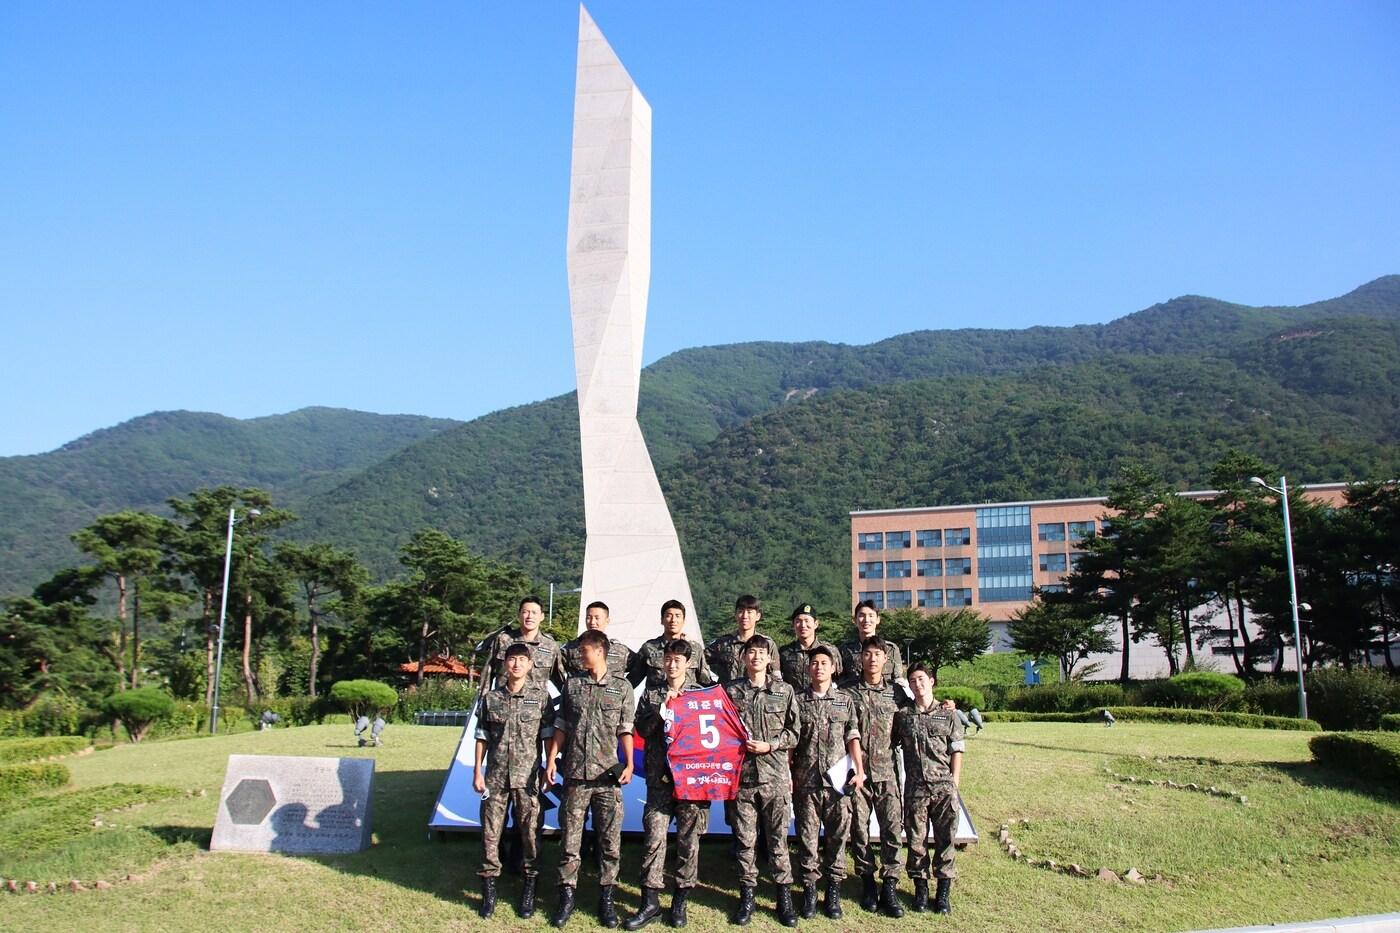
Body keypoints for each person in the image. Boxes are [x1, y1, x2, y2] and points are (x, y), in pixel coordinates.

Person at [546, 629, 635, 928]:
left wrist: (630, 764)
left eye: (584, 650)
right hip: (575, 775)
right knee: (570, 841)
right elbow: (562, 725)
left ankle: (606, 899)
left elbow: (625, 729)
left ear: (599, 651)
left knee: (610, 842)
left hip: (607, 776)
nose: (579, 654)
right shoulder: (572, 686)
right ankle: (566, 897)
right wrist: (550, 758)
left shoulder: (621, 688)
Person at [623, 641, 713, 930]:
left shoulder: (701, 695)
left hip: (690, 782)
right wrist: (661, 710)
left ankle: (680, 902)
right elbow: (641, 729)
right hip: (659, 779)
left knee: (689, 842)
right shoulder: (651, 693)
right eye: (668, 660)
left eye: (678, 660)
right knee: (654, 839)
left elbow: (711, 736)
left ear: (688, 663)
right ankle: (650, 903)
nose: (672, 665)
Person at [722, 635, 800, 927]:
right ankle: (747, 897)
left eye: (761, 653)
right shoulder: (730, 692)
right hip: (741, 780)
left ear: (770, 659)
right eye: (750, 652)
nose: (755, 657)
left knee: (778, 842)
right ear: (743, 658)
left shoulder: (784, 690)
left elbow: (795, 732)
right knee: (745, 842)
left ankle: (784, 899)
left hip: (775, 778)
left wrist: (771, 745)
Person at [474, 642, 555, 919]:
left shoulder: (540, 697)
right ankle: (489, 893)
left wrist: (548, 767)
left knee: (531, 834)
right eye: (512, 660)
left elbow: (546, 736)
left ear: (530, 665)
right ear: (505, 664)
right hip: (496, 778)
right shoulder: (491, 698)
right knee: (490, 835)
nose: (517, 664)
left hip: (527, 778)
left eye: (522, 660)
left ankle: (529, 890)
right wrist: (477, 771)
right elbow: (481, 735)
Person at [792, 644, 865, 920]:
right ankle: (809, 891)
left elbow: (852, 737)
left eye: (825, 663)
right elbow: (792, 741)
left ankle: (833, 891)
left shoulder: (844, 700)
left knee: (837, 839)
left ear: (834, 667)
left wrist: (859, 769)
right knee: (807, 839)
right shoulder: (798, 700)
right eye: (815, 663)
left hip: (838, 784)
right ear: (808, 668)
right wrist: (789, 775)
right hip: (806, 781)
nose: (819, 667)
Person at [891, 662, 965, 914]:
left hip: (944, 788)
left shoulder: (948, 714)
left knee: (945, 840)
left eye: (921, 679)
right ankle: (921, 890)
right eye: (912, 681)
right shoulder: (903, 716)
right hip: (915, 789)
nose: (917, 684)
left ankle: (943, 893)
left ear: (931, 681)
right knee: (916, 841)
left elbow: (956, 749)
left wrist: (954, 782)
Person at [846, 636, 909, 917]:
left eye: (877, 654)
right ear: (861, 658)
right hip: (857, 774)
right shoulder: (847, 692)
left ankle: (891, 885)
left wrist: (945, 706)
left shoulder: (896, 693)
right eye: (867, 654)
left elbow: (916, 712)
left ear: (886, 659)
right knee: (859, 831)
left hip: (887, 773)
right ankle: (868, 882)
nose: (872, 659)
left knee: (891, 830)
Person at [485, 595, 565, 691]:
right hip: (504, 702)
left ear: (542, 617)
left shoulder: (550, 645)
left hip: (536, 704)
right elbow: (487, 673)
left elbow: (560, 680)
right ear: (519, 615)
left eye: (534, 613)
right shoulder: (503, 640)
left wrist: (567, 703)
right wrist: (482, 702)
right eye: (525, 612)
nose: (529, 616)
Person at [630, 599, 713, 691]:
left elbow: (705, 681)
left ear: (683, 620)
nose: (673, 620)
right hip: (657, 702)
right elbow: (633, 680)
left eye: (678, 616)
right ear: (662, 620)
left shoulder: (695, 648)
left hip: (686, 701)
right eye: (669, 616)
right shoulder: (649, 648)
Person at [706, 595, 781, 685]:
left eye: (749, 612)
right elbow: (699, 660)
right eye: (741, 611)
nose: (745, 616)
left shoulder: (767, 644)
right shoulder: (723, 643)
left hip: (756, 696)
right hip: (727, 696)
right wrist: (710, 685)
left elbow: (775, 676)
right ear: (736, 615)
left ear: (758, 616)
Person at [562, 601, 635, 678]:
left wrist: (623, 687)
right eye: (588, 618)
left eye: (597, 618)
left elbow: (639, 670)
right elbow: (554, 670)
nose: (592, 622)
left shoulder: (621, 651)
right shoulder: (570, 648)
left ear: (607, 621)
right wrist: (568, 688)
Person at [838, 601, 905, 686]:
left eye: (871, 615)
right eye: (862, 615)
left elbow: (898, 679)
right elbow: (839, 680)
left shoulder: (890, 649)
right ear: (855, 620)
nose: (866, 620)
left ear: (878, 620)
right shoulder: (845, 649)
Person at [778, 603, 842, 691]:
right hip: (794, 702)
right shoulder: (784, 652)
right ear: (793, 625)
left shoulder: (831, 651)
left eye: (807, 621)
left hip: (822, 702)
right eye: (798, 621)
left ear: (816, 624)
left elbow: (840, 679)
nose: (803, 625)